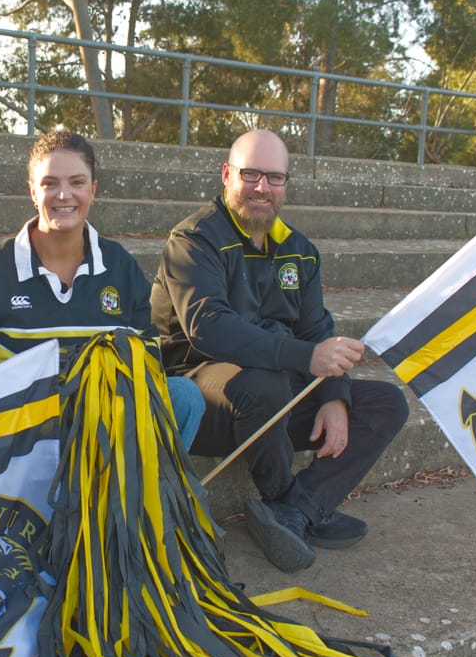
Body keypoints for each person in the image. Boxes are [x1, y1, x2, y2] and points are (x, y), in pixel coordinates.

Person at [149, 129, 409, 573]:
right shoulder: (194, 239)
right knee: (267, 382)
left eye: (274, 177)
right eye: (250, 174)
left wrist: (333, 397)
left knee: (386, 402)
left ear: (286, 184)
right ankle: (279, 496)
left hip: (271, 406)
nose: (262, 188)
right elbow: (207, 328)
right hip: (200, 400)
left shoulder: (299, 251)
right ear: (227, 175)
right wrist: (306, 359)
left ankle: (295, 509)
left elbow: (316, 330)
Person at [0, 130, 204, 449]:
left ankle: (135, 496)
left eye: (76, 182)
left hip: (101, 422)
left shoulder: (119, 265)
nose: (64, 195)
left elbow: (148, 353)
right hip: (19, 424)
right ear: (33, 191)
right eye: (50, 183)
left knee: (184, 397)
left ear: (92, 190)